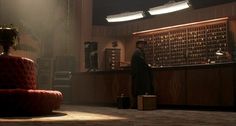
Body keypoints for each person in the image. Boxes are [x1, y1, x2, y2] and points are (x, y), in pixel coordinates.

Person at [130, 40, 154, 108]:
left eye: (144, 44)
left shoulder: (138, 51)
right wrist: (148, 66)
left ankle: (138, 104)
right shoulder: (138, 52)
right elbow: (142, 62)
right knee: (140, 89)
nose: (144, 46)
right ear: (138, 44)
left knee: (138, 89)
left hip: (138, 74)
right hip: (139, 75)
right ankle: (139, 104)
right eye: (142, 44)